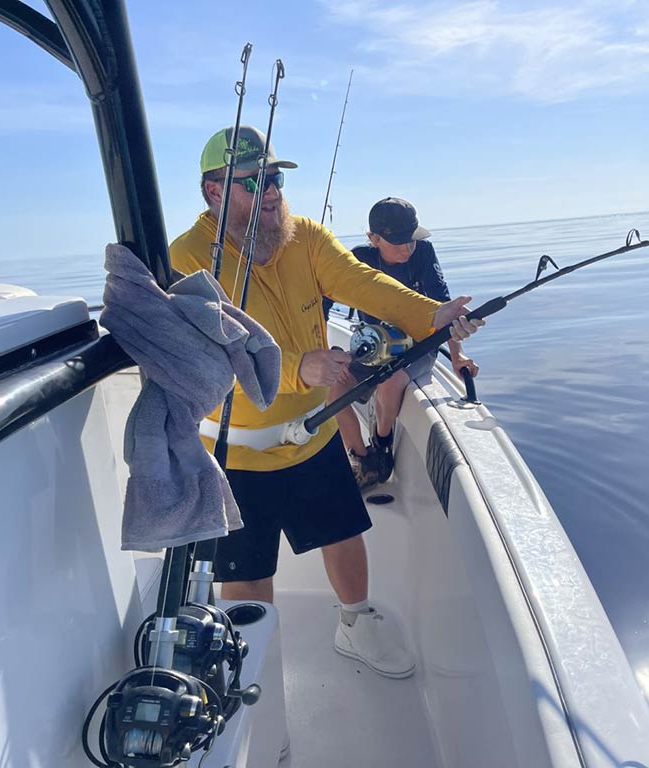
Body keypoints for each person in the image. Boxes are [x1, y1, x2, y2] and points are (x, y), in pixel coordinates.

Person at [169, 126, 483, 679]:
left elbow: (364, 283)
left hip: (314, 434)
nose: (270, 191)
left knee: (344, 533)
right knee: (247, 576)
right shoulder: (183, 261)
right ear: (214, 191)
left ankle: (355, 623)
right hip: (234, 453)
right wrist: (298, 368)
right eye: (252, 181)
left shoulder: (304, 236)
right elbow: (204, 362)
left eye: (275, 177)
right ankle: (253, 665)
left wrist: (430, 315)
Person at [324, 198, 478, 489]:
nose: (408, 248)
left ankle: (381, 443)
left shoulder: (424, 254)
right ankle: (363, 459)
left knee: (391, 382)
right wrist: (328, 352)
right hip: (374, 348)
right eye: (398, 242)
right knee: (334, 389)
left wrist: (459, 357)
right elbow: (322, 303)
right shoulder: (357, 260)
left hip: (418, 346)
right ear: (373, 238)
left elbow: (446, 308)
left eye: (412, 240)